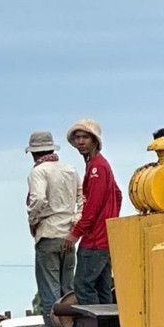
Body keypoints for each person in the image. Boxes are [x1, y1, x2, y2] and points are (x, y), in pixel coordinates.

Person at [24, 130, 82, 327]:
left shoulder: (39, 172)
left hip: (48, 235)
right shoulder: (70, 169)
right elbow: (81, 199)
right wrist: (74, 225)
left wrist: (33, 220)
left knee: (50, 293)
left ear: (34, 153)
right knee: (68, 290)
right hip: (68, 235)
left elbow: (37, 200)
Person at [64, 119, 122, 305]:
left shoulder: (97, 167)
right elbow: (117, 195)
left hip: (95, 239)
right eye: (78, 138)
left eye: (85, 137)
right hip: (104, 236)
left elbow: (92, 208)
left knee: (83, 285)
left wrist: (75, 233)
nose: (81, 142)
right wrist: (110, 219)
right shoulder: (99, 165)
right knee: (102, 287)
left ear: (94, 141)